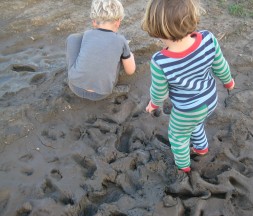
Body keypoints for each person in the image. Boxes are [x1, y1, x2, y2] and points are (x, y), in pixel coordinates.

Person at [141, 0, 235, 173]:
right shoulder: (208, 39)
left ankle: (183, 166)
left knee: (178, 136)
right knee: (196, 123)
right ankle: (201, 148)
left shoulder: (160, 61)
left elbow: (160, 91)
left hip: (187, 109)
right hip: (210, 99)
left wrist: (154, 103)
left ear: (157, 30)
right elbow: (220, 64)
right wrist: (228, 81)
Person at [66, 0, 136, 101]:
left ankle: (77, 72)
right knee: (119, 57)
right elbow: (130, 71)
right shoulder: (121, 40)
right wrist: (130, 56)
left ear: (94, 22)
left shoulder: (87, 34)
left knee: (73, 38)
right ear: (118, 22)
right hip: (101, 93)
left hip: (75, 86)